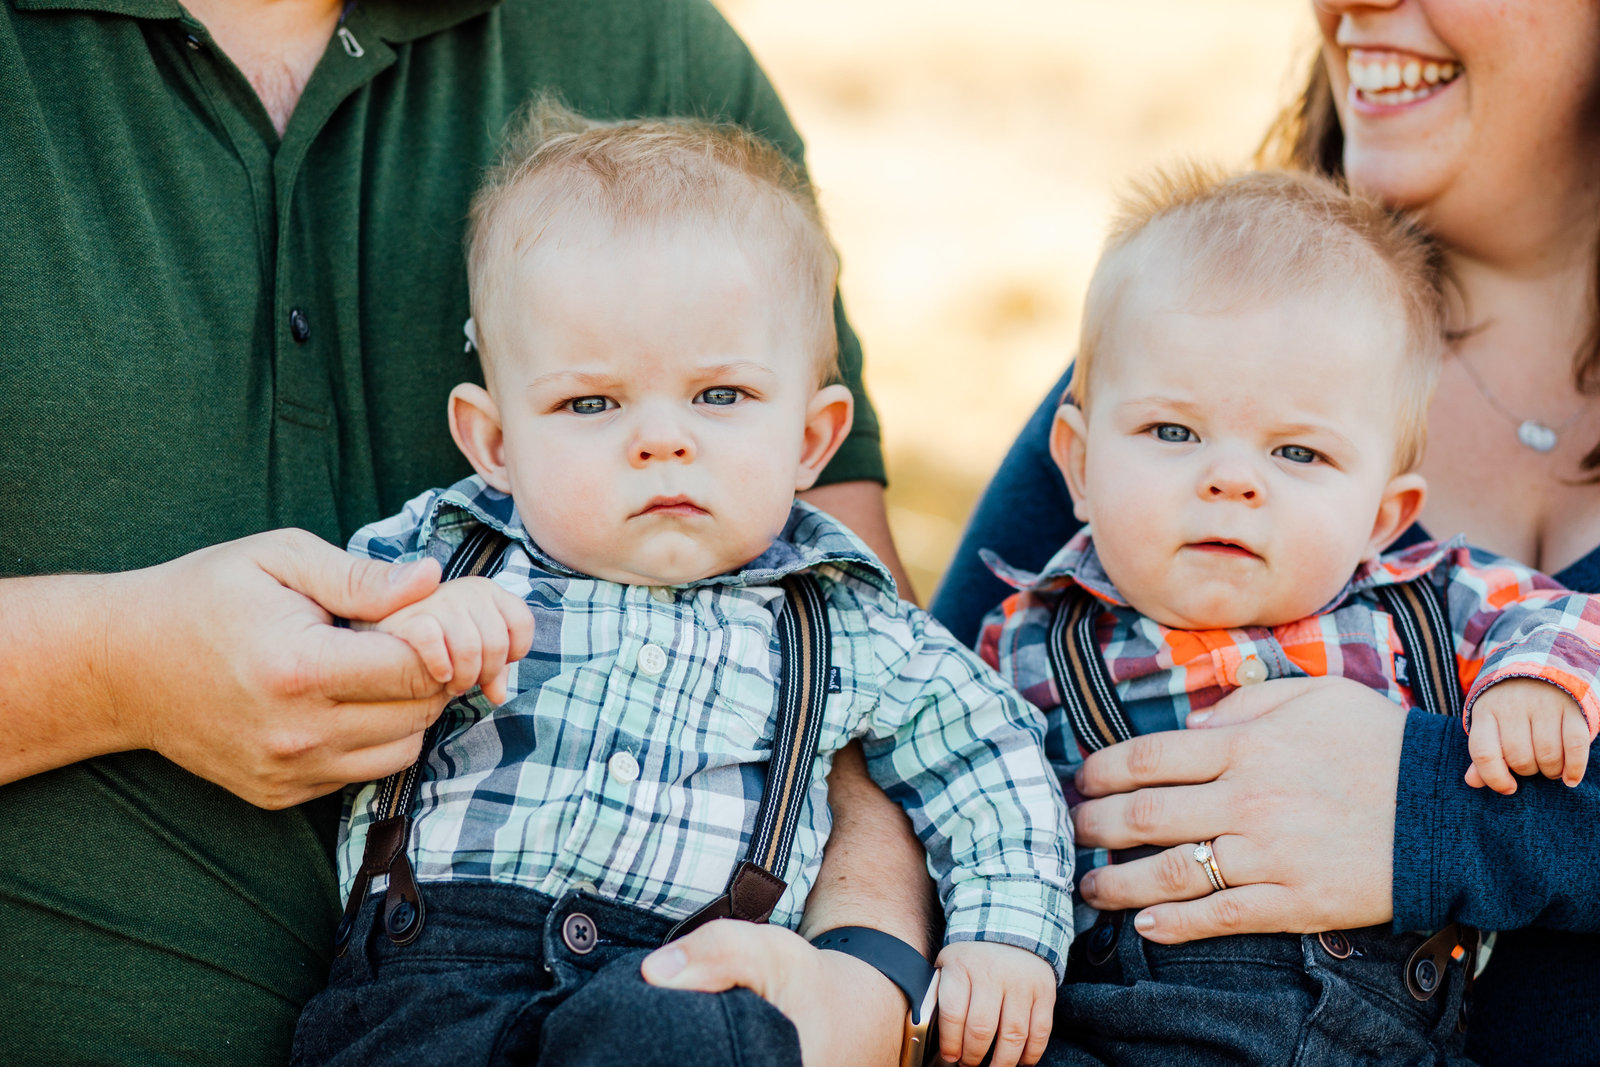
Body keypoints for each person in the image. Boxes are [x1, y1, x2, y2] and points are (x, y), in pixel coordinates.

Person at [0, 2, 929, 1062]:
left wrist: (869, 980)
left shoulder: (643, 42)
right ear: (480, 437)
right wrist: (110, 669)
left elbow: (858, 644)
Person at [290, 103, 1070, 1067]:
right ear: (494, 441)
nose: (663, 439)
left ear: (812, 439)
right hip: (427, 983)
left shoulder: (844, 618)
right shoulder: (439, 556)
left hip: (691, 982)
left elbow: (992, 757)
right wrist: (404, 648)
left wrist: (1006, 931)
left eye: (720, 395)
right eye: (591, 402)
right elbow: (298, 658)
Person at [932, 1, 1600, 1062]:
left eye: (1297, 454)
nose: (1228, 477)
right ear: (1084, 453)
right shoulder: (1185, 327)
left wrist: (1428, 811)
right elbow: (912, 757)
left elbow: (1553, 628)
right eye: (1172, 432)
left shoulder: (1449, 593)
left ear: (1389, 511)